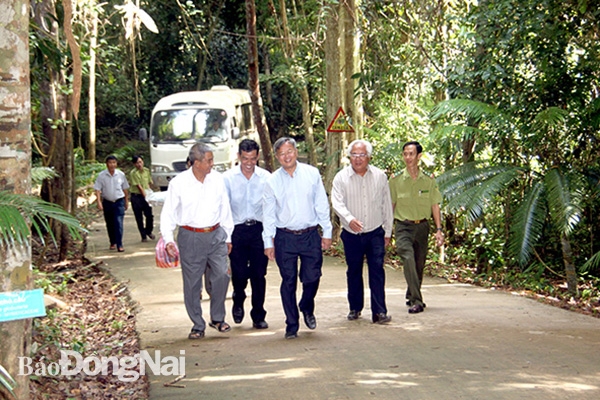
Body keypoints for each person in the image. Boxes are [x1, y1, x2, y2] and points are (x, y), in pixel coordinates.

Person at [160, 143, 234, 339]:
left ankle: (217, 317)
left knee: (222, 275)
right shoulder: (179, 183)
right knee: (192, 283)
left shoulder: (218, 180)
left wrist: (228, 235)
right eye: (209, 160)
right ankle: (197, 324)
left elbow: (224, 207)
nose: (212, 164)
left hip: (216, 234)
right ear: (197, 163)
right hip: (190, 236)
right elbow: (168, 213)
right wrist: (168, 239)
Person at [262, 137, 332, 339]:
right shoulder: (272, 181)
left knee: (312, 277)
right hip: (285, 237)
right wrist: (268, 242)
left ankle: (306, 306)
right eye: (282, 153)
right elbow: (268, 214)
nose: (287, 156)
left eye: (289, 151)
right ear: (277, 157)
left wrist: (326, 232)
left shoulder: (311, 174)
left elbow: (321, 204)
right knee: (289, 280)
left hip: (310, 234)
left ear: (296, 151)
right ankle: (291, 323)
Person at [331, 139, 394, 324]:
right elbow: (337, 203)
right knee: (354, 271)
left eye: (362, 155)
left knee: (377, 271)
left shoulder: (380, 176)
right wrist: (350, 219)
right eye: (354, 155)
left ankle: (379, 312)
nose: (358, 159)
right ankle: (355, 308)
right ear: (349, 157)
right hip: (351, 235)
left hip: (375, 232)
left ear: (369, 157)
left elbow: (386, 205)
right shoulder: (341, 178)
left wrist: (388, 231)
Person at [389, 141, 444, 314]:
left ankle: (411, 292)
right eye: (405, 154)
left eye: (411, 154)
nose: (408, 157)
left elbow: (435, 205)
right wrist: (386, 229)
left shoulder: (428, 180)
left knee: (419, 264)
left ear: (419, 156)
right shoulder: (395, 180)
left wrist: (439, 229)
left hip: (422, 227)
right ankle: (417, 300)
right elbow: (391, 205)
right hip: (403, 226)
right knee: (408, 258)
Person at [223, 139, 271, 329]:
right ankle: (238, 297)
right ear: (239, 156)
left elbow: (270, 208)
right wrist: (226, 237)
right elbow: (224, 209)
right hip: (237, 230)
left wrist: (270, 236)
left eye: (252, 158)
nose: (249, 163)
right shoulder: (227, 178)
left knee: (259, 274)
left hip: (259, 229)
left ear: (257, 156)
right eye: (245, 158)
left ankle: (258, 314)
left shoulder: (266, 177)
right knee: (240, 272)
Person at [94, 155, 130, 252]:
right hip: (107, 202)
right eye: (110, 163)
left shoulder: (121, 175)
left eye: (114, 162)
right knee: (110, 223)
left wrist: (126, 201)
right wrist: (99, 202)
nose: (112, 165)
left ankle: (120, 244)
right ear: (106, 164)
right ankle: (112, 242)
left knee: (118, 223)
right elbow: (97, 190)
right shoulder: (101, 176)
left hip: (119, 202)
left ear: (116, 164)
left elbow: (125, 189)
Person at [129, 155, 155, 242]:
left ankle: (148, 231)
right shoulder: (133, 173)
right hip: (137, 197)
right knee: (139, 217)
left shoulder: (146, 171)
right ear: (134, 164)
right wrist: (146, 197)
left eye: (140, 162)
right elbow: (139, 187)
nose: (139, 164)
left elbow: (148, 183)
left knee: (149, 215)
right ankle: (143, 235)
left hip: (146, 195)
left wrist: (149, 194)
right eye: (137, 163)